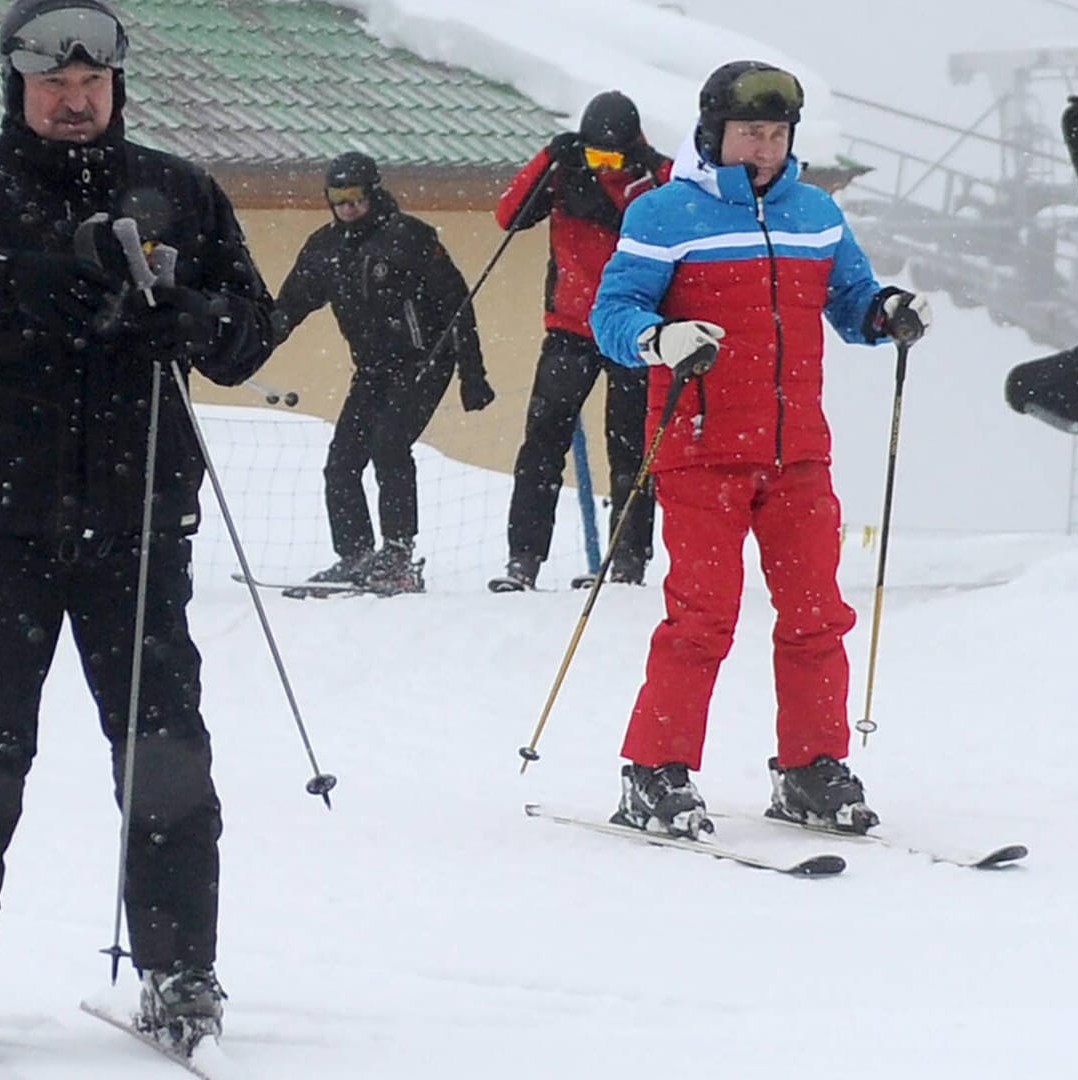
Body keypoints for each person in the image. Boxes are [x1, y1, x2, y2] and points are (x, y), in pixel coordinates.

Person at [0, 0, 275, 1056]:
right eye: (54, 81)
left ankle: (182, 972)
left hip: (136, 528)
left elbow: (247, 333)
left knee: (164, 753)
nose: (75, 97)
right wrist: (50, 279)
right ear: (18, 82)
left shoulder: (179, 190)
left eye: (92, 82)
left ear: (116, 85)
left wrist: (187, 315)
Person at [589, 61, 932, 839]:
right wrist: (660, 337)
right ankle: (655, 771)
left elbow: (849, 301)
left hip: (797, 451)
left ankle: (811, 768)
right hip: (700, 444)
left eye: (777, 135)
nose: (764, 149)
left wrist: (887, 313)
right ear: (714, 132)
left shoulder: (815, 212)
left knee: (817, 615)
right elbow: (612, 312)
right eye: (750, 133)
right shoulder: (663, 213)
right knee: (703, 618)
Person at [270, 151, 494, 595]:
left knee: (389, 445)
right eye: (338, 198)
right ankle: (354, 555)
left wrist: (473, 373)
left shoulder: (409, 237)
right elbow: (290, 306)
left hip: (424, 361)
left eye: (355, 197)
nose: (348, 207)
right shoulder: (325, 248)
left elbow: (456, 304)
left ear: (374, 192)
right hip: (373, 368)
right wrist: (245, 347)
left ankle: (397, 555)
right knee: (342, 461)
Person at [489, 91, 672, 592]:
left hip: (636, 333)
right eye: (595, 156)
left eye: (612, 158)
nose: (603, 167)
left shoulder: (657, 179)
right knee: (542, 446)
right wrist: (551, 156)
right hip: (569, 329)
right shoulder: (565, 171)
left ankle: (626, 562)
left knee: (631, 450)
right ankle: (522, 559)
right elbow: (509, 216)